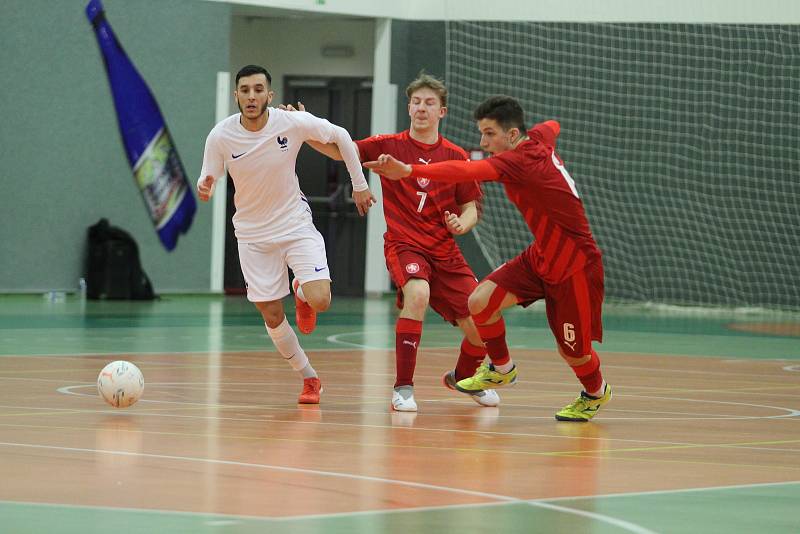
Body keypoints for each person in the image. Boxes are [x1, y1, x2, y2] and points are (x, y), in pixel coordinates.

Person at [365, 95, 611, 422]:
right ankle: (501, 368)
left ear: (511, 136)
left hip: (575, 265)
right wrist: (548, 129)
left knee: (574, 353)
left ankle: (595, 392)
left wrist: (408, 170)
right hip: (541, 257)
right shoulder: (536, 138)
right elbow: (552, 126)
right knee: (478, 301)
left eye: (489, 134)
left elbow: (466, 170)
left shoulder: (517, 162)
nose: (483, 142)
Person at [291, 73, 499, 412]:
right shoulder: (388, 144)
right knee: (418, 294)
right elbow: (339, 151)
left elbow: (470, 206)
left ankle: (465, 378)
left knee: (481, 326)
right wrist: (304, 127)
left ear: (442, 112)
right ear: (409, 107)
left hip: (445, 252)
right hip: (406, 244)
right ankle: (403, 387)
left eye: (429, 103)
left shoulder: (456, 155)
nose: (421, 108)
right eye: (416, 102)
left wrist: (463, 223)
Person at [197, 64, 376, 404]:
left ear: (269, 94)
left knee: (321, 299)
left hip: (294, 224)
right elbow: (208, 175)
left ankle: (303, 292)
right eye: (245, 90)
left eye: (258, 89)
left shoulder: (290, 123)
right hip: (252, 236)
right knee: (272, 315)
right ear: (236, 95)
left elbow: (341, 136)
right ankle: (310, 378)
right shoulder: (220, 136)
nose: (251, 96)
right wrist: (204, 186)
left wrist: (360, 186)